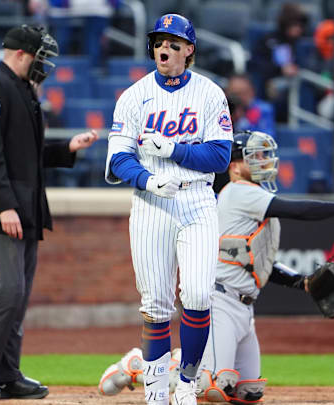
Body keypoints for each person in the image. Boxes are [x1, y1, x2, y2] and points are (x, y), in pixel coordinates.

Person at [99, 131, 334, 403]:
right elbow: (298, 210)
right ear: (234, 166)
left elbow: (255, 261)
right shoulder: (240, 192)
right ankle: (139, 365)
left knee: (248, 392)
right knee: (210, 386)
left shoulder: (252, 196)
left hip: (244, 307)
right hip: (219, 300)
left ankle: (177, 361)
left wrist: (301, 282)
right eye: (254, 156)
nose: (263, 161)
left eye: (265, 155)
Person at [0, 24, 99, 401]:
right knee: (8, 289)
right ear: (22, 53)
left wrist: (67, 146)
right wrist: (4, 207)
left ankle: (6, 372)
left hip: (28, 203)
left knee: (19, 294)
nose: (45, 66)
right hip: (7, 206)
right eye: (41, 57)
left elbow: (28, 156)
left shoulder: (22, 90)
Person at [104, 13, 233, 405]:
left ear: (189, 50)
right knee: (156, 302)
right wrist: (148, 179)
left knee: (196, 293)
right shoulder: (133, 96)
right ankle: (157, 392)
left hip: (196, 199)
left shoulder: (210, 94)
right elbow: (117, 158)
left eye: (174, 43)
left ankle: (188, 383)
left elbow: (221, 156)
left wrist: (174, 149)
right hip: (150, 203)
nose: (165, 48)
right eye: (160, 41)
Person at [249, 2, 308, 122]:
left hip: (297, 81)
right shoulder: (270, 40)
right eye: (294, 25)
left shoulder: (303, 43)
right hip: (272, 81)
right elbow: (255, 63)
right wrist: (280, 69)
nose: (298, 29)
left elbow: (308, 65)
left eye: (300, 25)